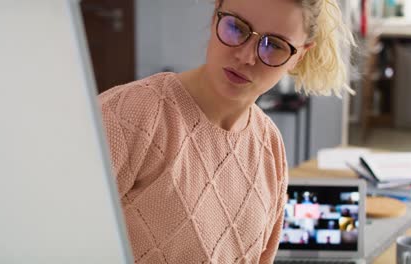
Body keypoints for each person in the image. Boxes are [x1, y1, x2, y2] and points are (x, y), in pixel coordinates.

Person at [98, 0, 354, 263]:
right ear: (215, 15)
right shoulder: (127, 115)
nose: (246, 57)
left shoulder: (269, 145)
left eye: (274, 45)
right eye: (236, 28)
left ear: (299, 56)